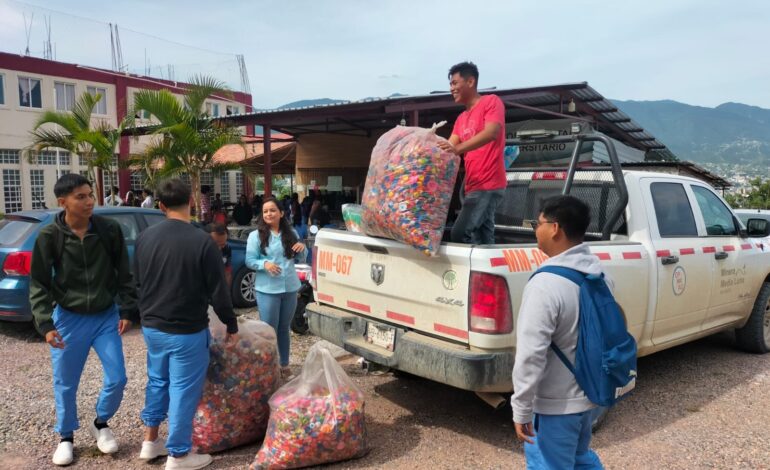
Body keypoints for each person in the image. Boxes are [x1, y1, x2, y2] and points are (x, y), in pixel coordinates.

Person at [29, 174, 137, 466]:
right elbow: (38, 282)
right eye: (81, 196)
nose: (89, 201)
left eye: (90, 195)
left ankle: (100, 422)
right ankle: (65, 436)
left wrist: (127, 310)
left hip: (105, 317)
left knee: (118, 378)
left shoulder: (109, 230)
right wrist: (46, 325)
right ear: (62, 202)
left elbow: (123, 272)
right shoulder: (49, 236)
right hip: (68, 318)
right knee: (65, 382)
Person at [133, 178, 238, 469]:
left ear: (161, 205)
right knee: (182, 389)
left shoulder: (145, 237)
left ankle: (149, 441)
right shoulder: (202, 241)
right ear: (192, 201)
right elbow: (219, 291)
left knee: (157, 381)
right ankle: (178, 454)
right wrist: (231, 323)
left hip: (153, 327)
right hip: (187, 330)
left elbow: (138, 282)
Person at [512, 195, 606, 469]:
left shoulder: (545, 284)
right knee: (579, 458)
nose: (535, 230)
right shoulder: (598, 275)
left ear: (555, 228)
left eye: (537, 223)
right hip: (587, 395)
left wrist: (521, 408)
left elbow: (531, 354)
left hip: (555, 404)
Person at [437, 61, 506, 245]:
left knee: (460, 233)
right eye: (450, 84)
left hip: (488, 183)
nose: (451, 88)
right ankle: (489, 270)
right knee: (482, 236)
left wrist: (458, 149)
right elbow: (448, 147)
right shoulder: (461, 118)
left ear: (470, 82)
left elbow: (492, 133)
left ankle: (466, 272)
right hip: (471, 185)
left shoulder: (491, 102)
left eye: (454, 83)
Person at [245, 197, 306, 379]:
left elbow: (300, 259)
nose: (269, 214)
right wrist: (265, 264)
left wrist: (303, 248)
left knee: (284, 329)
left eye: (272, 210)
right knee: (268, 330)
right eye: (265, 211)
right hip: (267, 290)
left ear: (281, 213)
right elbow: (249, 260)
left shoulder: (291, 233)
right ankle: (268, 366)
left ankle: (284, 365)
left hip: (290, 288)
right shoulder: (255, 236)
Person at [207, 223, 233, 288]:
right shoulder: (200, 251)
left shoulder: (227, 249)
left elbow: (227, 272)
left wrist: (226, 290)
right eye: (215, 245)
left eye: (223, 244)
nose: (219, 248)